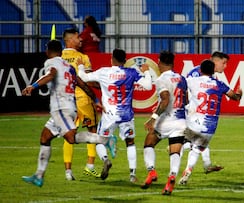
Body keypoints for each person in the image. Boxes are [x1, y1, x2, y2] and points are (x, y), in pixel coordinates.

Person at [21, 40, 108, 187]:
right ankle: (39, 175)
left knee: (71, 138)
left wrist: (33, 86)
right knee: (45, 137)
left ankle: (105, 140)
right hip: (67, 108)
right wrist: (95, 99)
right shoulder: (69, 67)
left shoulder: (50, 62)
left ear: (48, 51)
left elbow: (51, 74)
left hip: (61, 108)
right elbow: (82, 84)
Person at [77, 49, 152, 182]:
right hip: (126, 115)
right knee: (130, 143)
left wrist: (81, 66)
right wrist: (146, 70)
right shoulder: (131, 72)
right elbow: (147, 86)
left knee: (99, 140)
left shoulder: (104, 72)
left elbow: (83, 77)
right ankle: (132, 174)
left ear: (111, 59)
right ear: (124, 61)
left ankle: (105, 159)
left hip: (109, 115)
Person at [178, 59, 242, 185]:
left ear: (200, 70)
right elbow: (235, 97)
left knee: (179, 138)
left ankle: (177, 160)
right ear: (213, 71)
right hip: (210, 126)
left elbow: (179, 85)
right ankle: (187, 172)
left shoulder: (192, 81)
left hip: (194, 120)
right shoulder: (220, 84)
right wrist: (240, 93)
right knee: (197, 149)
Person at [140, 51, 187, 195]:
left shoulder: (161, 79)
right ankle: (171, 177)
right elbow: (187, 100)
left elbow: (165, 100)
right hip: (180, 121)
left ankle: (151, 171)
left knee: (149, 143)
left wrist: (153, 118)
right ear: (172, 63)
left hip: (166, 120)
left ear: (159, 62)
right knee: (175, 152)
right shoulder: (181, 78)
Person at [62, 28, 104, 180]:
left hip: (65, 101)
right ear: (70, 39)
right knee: (92, 131)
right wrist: (103, 87)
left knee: (68, 134)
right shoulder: (82, 58)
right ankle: (90, 166)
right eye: (77, 37)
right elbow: (88, 80)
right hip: (83, 100)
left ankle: (68, 171)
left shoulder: (58, 58)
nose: (81, 40)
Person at [182, 51, 230, 174]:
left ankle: (207, 164)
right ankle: (180, 149)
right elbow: (185, 90)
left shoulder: (209, 76)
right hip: (193, 112)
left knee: (200, 139)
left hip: (198, 113)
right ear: (215, 61)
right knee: (197, 139)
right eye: (223, 63)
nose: (225, 66)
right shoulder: (196, 74)